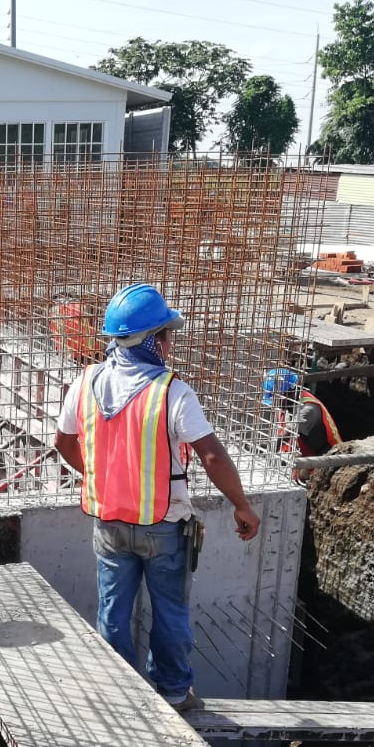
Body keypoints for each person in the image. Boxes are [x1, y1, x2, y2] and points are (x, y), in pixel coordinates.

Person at [53, 283, 261, 713]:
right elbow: (212, 456)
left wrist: (100, 476)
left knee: (113, 612)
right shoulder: (171, 392)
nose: (170, 343)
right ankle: (171, 692)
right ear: (153, 340)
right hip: (162, 526)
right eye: (166, 334)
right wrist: (241, 504)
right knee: (169, 613)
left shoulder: (85, 381)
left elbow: (64, 442)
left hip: (109, 523)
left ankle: (120, 693)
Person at [262, 368, 342, 458]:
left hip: (326, 458)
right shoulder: (286, 404)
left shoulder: (309, 409)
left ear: (290, 392)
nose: (274, 404)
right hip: (306, 454)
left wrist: (269, 447)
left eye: (276, 399)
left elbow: (289, 432)